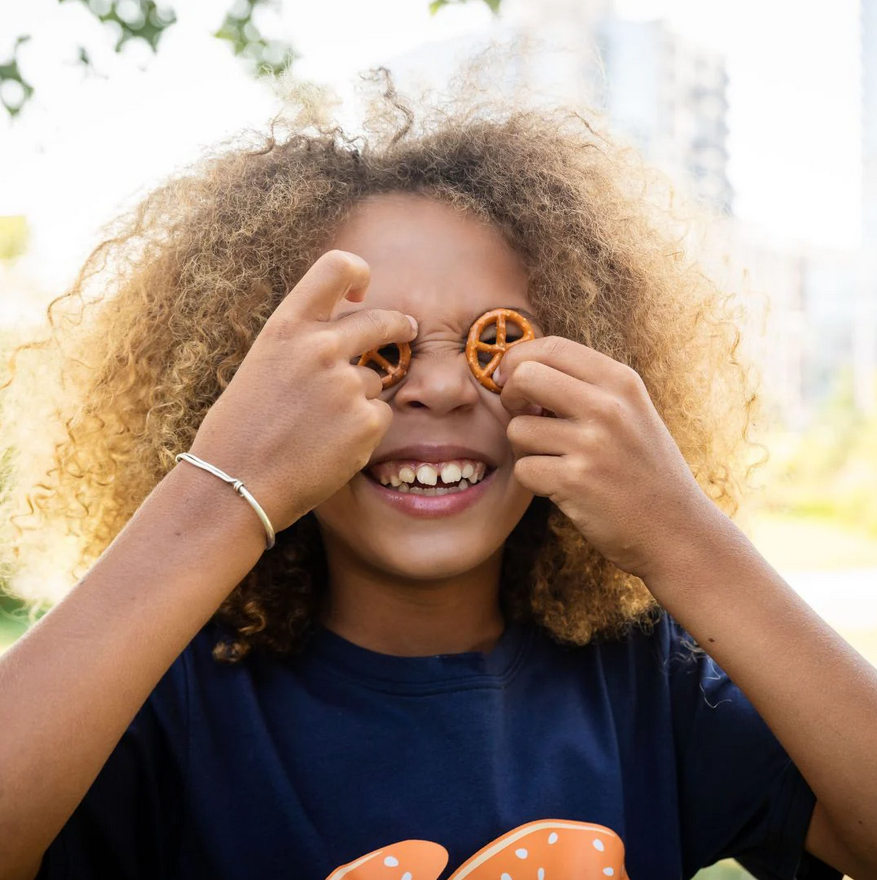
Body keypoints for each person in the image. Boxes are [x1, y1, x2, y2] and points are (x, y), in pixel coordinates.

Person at [0, 63, 874, 880]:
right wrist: (226, 487)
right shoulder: (160, 700)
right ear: (252, 393)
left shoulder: (650, 685)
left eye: (497, 339)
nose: (445, 386)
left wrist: (684, 539)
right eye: (376, 347)